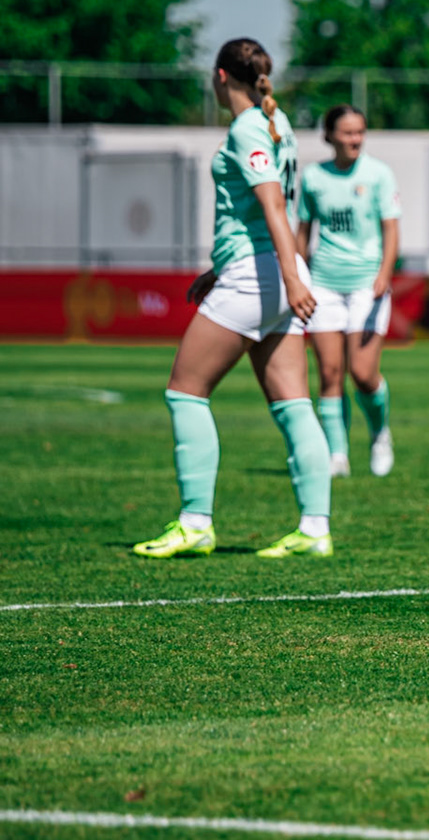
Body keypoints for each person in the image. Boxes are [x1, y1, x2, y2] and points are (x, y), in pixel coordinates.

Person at [133, 38, 333, 559]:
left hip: (260, 277)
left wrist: (288, 279)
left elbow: (270, 204)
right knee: (293, 405)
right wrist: (220, 270)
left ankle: (195, 522)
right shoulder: (277, 121)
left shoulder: (248, 127)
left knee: (186, 391)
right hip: (266, 273)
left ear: (221, 76)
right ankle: (315, 529)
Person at [297, 104, 402, 479]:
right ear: (329, 136)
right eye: (347, 132)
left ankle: (380, 433)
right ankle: (336, 456)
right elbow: (303, 232)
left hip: (366, 287)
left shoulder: (378, 175)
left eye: (360, 131)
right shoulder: (312, 178)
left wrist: (384, 274)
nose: (355, 139)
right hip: (324, 284)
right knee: (329, 371)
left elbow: (391, 229)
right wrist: (298, 278)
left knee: (362, 372)